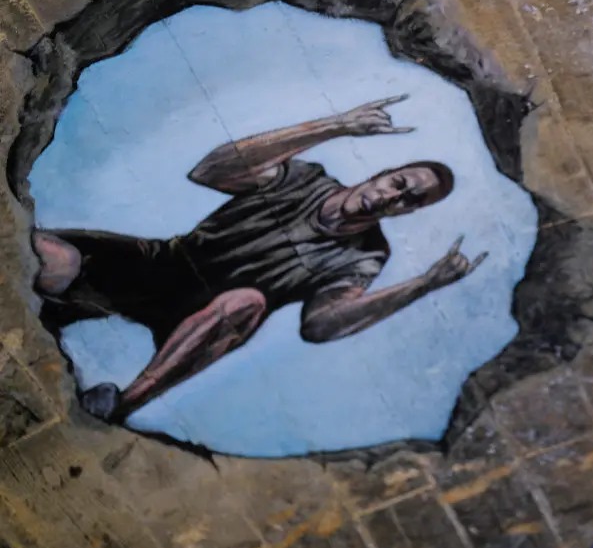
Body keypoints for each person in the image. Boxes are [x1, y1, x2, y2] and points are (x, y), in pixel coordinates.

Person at [32, 95, 487, 422]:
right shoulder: (301, 177)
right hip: (160, 264)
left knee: (246, 303)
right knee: (48, 257)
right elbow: (210, 170)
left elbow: (321, 325)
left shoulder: (365, 256)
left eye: (410, 201)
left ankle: (124, 404)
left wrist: (422, 285)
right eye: (399, 183)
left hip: (197, 319)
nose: (393, 198)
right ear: (383, 173)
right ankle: (55, 305)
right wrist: (336, 124)